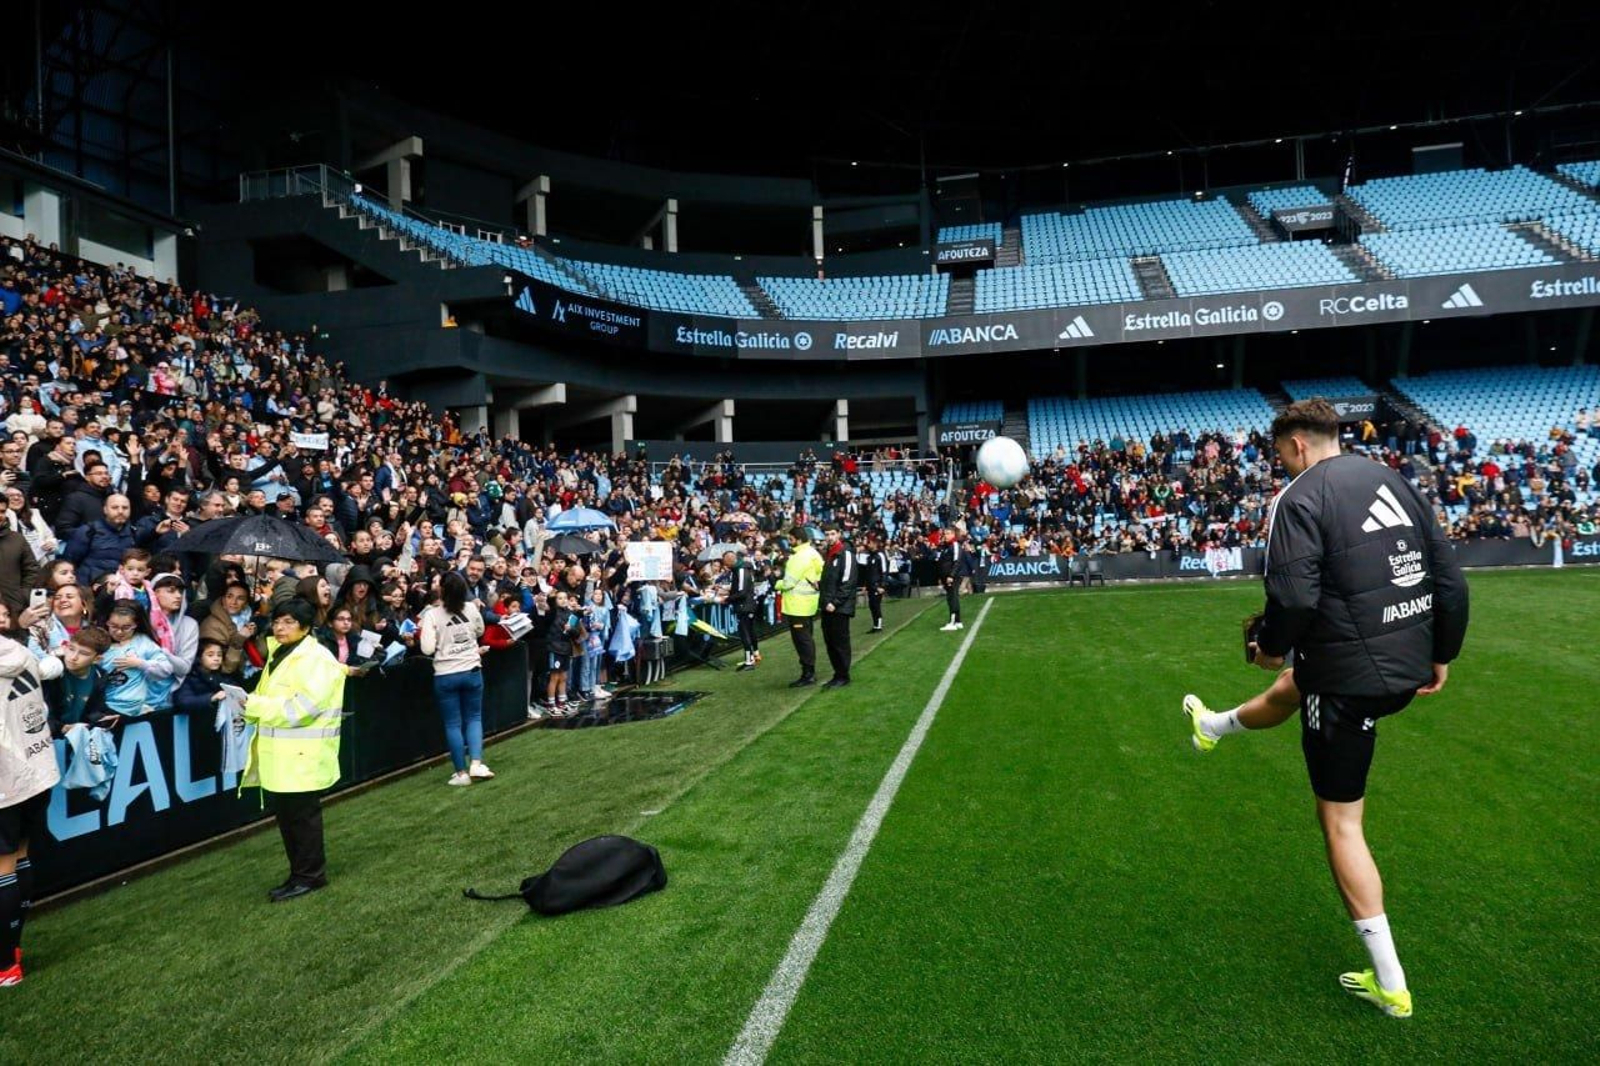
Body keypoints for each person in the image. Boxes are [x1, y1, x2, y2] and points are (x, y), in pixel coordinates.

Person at [1182, 398, 1469, 1019]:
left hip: (1349, 682)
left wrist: (1268, 647)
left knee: (1340, 824)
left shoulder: (1299, 495)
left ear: (1299, 446)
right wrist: (1442, 651)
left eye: (1281, 455)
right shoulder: (1392, 475)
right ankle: (1213, 727)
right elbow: (1450, 579)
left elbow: (1291, 592)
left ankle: (1391, 981)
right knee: (1296, 683)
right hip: (1404, 661)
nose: (1281, 466)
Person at [243, 598, 350, 903]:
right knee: (289, 820)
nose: (280, 627)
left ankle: (310, 876)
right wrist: (247, 703)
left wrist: (253, 705)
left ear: (305, 626)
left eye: (289, 622)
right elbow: (266, 697)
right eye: (277, 621)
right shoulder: (281, 653)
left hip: (304, 755)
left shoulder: (315, 658)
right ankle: (299, 874)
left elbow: (302, 709)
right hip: (283, 756)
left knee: (302, 820)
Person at [0, 629, 62, 987]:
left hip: (8, 781)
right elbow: (52, 670)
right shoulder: (18, 650)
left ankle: (6, 962)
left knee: (5, 866)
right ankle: (14, 950)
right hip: (38, 772)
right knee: (20, 857)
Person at [419, 572, 492, 785]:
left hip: (446, 674)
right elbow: (480, 630)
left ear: (441, 589)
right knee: (474, 718)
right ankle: (476, 763)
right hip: (471, 670)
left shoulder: (432, 614)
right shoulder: (471, 608)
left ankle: (461, 774)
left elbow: (427, 648)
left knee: (453, 724)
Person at [775, 525, 822, 688]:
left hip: (797, 605)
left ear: (798, 539)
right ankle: (809, 671)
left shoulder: (798, 557)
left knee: (802, 641)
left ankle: (808, 674)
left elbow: (788, 583)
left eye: (791, 539)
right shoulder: (813, 553)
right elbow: (820, 572)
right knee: (806, 639)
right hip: (809, 604)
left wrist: (777, 583)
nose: (789, 542)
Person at [817, 524, 857, 689]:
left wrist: (835, 602)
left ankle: (843, 675)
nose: (829, 537)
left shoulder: (845, 554)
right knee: (830, 642)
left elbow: (848, 582)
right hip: (828, 605)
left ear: (839, 534)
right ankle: (838, 674)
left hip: (838, 607)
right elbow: (831, 581)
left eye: (832, 534)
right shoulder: (829, 555)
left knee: (840, 642)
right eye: (827, 534)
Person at [724, 549, 760, 671]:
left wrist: (728, 599)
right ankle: (755, 654)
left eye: (726, 562)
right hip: (748, 604)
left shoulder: (741, 570)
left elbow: (742, 592)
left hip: (744, 605)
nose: (725, 565)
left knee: (745, 632)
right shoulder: (744, 568)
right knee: (749, 630)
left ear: (730, 560)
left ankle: (749, 662)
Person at [936, 527, 970, 632]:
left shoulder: (955, 545)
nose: (945, 535)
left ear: (953, 535)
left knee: (952, 597)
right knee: (951, 597)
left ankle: (953, 621)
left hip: (952, 577)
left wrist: (951, 575)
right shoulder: (946, 547)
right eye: (945, 533)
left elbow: (957, 561)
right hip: (946, 576)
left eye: (948, 533)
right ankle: (958, 621)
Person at [858, 532, 888, 632]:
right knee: (872, 605)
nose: (868, 545)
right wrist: (865, 585)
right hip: (871, 585)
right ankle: (875, 624)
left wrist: (882, 586)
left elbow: (884, 571)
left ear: (875, 544)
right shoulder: (869, 557)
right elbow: (868, 573)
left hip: (877, 585)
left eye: (870, 543)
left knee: (875, 605)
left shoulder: (880, 555)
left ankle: (878, 625)